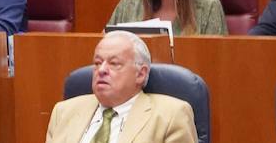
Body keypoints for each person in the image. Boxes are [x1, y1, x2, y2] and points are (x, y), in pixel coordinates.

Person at [44, 31, 196, 143]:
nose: (101, 70)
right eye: (97, 63)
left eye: (114, 63)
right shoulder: (64, 112)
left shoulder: (171, 115)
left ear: (140, 74)